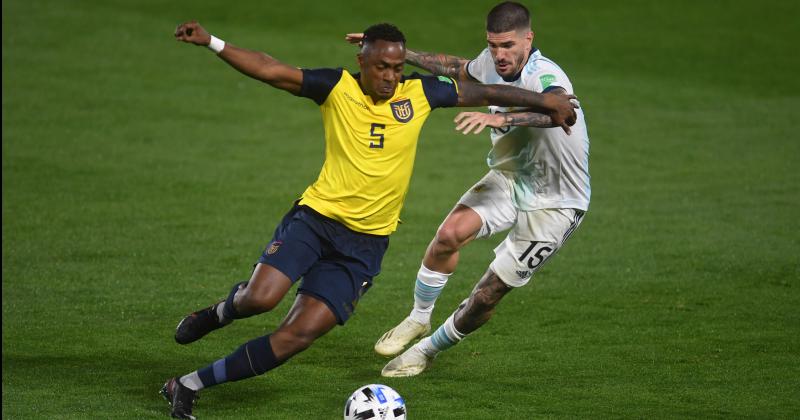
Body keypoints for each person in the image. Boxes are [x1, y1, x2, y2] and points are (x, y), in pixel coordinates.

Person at [163, 19, 577, 419]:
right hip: (316, 220)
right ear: (362, 63)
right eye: (382, 67)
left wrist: (547, 101)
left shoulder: (420, 94)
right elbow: (272, 70)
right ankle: (219, 314)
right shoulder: (336, 87)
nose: (391, 77)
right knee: (259, 299)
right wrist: (212, 42)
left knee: (296, 337)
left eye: (398, 68)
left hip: (365, 246)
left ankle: (188, 385)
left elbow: (482, 90)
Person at [356, 2, 591, 377]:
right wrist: (404, 55)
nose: (499, 55)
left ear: (528, 39)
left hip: (557, 203)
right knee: (448, 235)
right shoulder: (491, 61)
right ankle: (418, 318)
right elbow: (456, 68)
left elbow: (560, 112)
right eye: (493, 45)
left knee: (486, 294)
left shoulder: (545, 74)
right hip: (511, 179)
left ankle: (425, 351)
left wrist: (499, 117)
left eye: (508, 45)